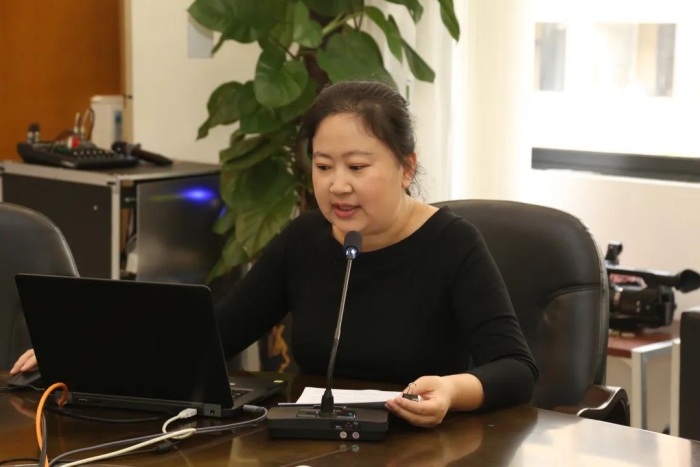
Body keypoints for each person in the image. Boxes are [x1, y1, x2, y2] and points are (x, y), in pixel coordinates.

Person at [11, 80, 538, 427]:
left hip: (422, 450)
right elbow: (213, 337)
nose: (337, 185)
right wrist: (92, 351)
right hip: (318, 445)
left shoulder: (453, 244)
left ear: (406, 167)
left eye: (357, 167)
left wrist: (452, 390)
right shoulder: (306, 240)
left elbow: (516, 367)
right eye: (323, 166)